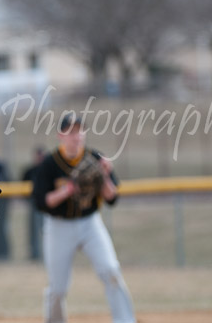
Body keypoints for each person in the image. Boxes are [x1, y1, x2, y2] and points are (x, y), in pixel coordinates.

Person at [32, 115, 136, 323]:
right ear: (60, 135)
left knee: (111, 270)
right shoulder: (50, 163)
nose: (76, 136)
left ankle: (125, 320)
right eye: (71, 131)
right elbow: (41, 202)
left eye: (80, 131)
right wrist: (68, 190)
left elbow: (112, 198)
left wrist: (106, 174)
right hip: (59, 226)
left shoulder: (95, 158)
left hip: (90, 223)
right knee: (58, 288)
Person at [22, 146, 46, 261]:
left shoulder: (48, 170)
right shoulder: (30, 171)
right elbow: (22, 186)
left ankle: (46, 254)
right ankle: (35, 254)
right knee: (34, 231)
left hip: (47, 206)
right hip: (34, 204)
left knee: (47, 231)